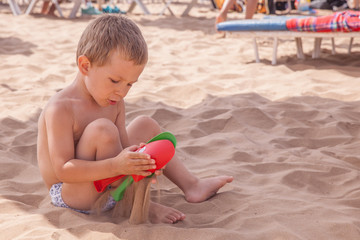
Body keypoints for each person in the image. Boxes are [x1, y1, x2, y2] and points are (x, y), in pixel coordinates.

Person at [37, 14, 234, 224]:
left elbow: (122, 148)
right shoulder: (61, 108)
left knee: (145, 124)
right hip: (74, 193)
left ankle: (192, 185)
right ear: (85, 66)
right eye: (115, 80)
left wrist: (141, 162)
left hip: (108, 178)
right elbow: (63, 170)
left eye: (130, 84)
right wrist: (116, 166)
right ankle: (137, 203)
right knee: (102, 130)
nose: (122, 92)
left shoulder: (114, 101)